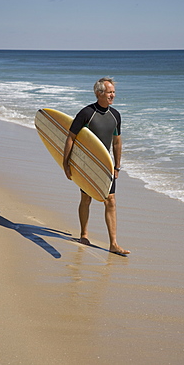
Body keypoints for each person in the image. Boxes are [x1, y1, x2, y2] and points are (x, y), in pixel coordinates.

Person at [63, 77, 130, 255]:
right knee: (87, 199)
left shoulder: (115, 115)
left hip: (106, 165)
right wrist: (66, 163)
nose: (113, 95)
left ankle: (113, 244)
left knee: (111, 201)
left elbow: (117, 143)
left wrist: (117, 166)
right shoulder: (86, 113)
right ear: (99, 93)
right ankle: (84, 234)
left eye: (113, 92)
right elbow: (71, 137)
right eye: (109, 92)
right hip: (87, 165)